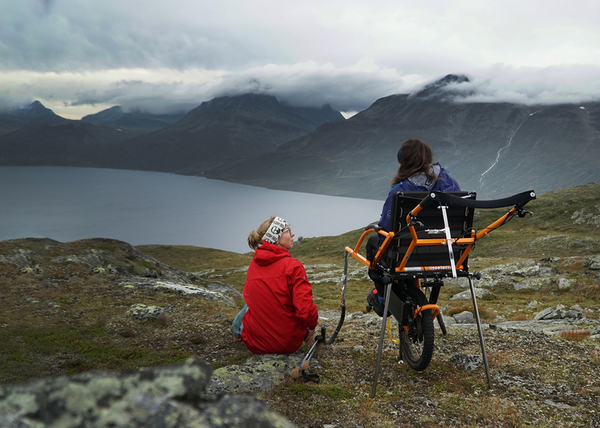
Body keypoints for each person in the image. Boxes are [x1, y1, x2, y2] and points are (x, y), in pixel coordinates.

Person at [366, 139, 461, 315]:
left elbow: (387, 229)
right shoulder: (450, 182)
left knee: (374, 243)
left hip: (407, 256)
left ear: (403, 163)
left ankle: (381, 298)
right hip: (447, 255)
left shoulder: (399, 191)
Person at [231, 215, 318, 354]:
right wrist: (312, 327)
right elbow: (305, 310)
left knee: (251, 304)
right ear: (276, 237)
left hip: (254, 343)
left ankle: (236, 331)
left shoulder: (254, 265)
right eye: (288, 230)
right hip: (288, 344)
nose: (293, 234)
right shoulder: (293, 266)